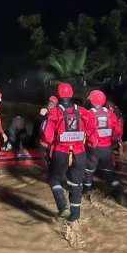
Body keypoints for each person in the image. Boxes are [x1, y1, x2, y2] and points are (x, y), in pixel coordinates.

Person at [41, 83, 97, 222]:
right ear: (71, 94)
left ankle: (62, 208)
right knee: (76, 184)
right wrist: (92, 143)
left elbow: (47, 138)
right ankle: (74, 217)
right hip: (80, 153)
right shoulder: (83, 111)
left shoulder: (54, 112)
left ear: (58, 95)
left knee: (54, 179)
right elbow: (92, 129)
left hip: (61, 152)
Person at [83, 90, 127, 205]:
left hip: (93, 148)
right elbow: (117, 132)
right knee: (109, 171)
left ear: (91, 101)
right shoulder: (110, 114)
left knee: (89, 170)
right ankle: (119, 192)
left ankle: (85, 193)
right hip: (107, 148)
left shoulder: (88, 114)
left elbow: (83, 129)